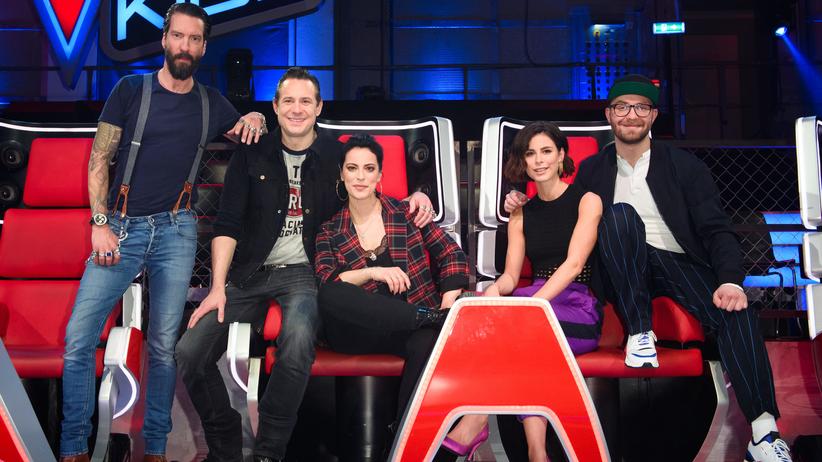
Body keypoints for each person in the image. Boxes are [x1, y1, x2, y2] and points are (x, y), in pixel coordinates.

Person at [505, 74, 791, 462]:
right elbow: (559, 208)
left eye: (641, 107)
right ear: (609, 115)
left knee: (736, 313)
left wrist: (730, 281)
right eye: (622, 107)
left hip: (676, 262)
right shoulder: (592, 170)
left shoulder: (684, 166)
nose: (631, 115)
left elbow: (716, 229)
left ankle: (764, 433)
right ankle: (640, 332)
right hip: (619, 269)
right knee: (621, 216)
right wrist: (519, 200)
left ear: (653, 115)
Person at [175, 69, 435, 462]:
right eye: (289, 101)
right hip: (250, 272)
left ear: (319, 107)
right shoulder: (252, 152)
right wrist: (217, 288)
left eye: (305, 101)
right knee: (189, 351)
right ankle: (225, 440)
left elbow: (368, 185)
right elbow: (227, 224)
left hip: (306, 275)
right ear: (275, 106)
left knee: (297, 343)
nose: (297, 109)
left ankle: (268, 452)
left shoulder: (335, 154)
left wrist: (418, 195)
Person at [59, 4, 265, 462]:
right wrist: (99, 224)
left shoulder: (211, 102)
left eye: (194, 39)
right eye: (178, 36)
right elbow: (99, 160)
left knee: (163, 347)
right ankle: (73, 447)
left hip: (177, 230)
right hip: (120, 228)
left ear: (204, 47)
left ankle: (155, 449)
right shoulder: (130, 90)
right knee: (78, 339)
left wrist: (257, 116)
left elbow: (248, 132)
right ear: (164, 39)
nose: (185, 46)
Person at [444, 122, 602, 462]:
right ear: (523, 161)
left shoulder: (587, 201)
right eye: (531, 154)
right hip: (531, 307)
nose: (539, 160)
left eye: (546, 151)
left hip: (576, 305)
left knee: (525, 328)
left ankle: (476, 418)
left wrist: (529, 308)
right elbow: (511, 276)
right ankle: (537, 452)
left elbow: (574, 264)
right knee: (524, 342)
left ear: (561, 155)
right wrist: (494, 292)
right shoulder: (520, 212)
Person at [314, 134, 470, 439]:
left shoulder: (407, 214)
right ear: (341, 174)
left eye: (369, 168)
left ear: (380, 175)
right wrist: (374, 271)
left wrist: (448, 303)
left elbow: (452, 255)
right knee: (331, 291)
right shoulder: (329, 230)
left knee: (428, 343)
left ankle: (404, 437)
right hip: (359, 331)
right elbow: (326, 280)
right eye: (352, 168)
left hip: (410, 328)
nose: (360, 177)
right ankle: (434, 319)